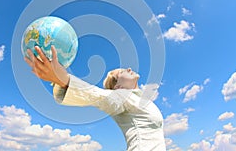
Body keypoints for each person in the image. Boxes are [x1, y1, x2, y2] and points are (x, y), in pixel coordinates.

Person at [25, 45, 166, 151]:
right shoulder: (123, 96)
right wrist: (64, 80)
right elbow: (97, 95)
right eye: (121, 72)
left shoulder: (139, 99)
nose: (128, 69)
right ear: (117, 87)